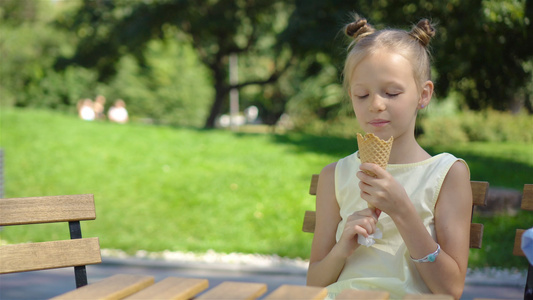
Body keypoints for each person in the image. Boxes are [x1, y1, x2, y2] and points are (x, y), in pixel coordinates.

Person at [306, 16, 472, 300]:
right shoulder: (335, 175)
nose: (376, 105)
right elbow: (313, 285)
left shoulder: (447, 173)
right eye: (362, 95)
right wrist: (342, 248)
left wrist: (403, 211)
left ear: (423, 94)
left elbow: (451, 289)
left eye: (392, 92)